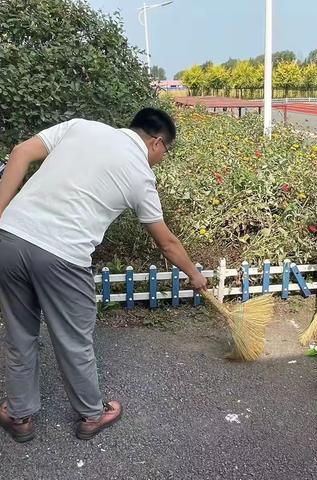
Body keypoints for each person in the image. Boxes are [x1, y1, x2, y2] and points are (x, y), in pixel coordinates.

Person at [0, 108, 208, 443]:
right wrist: (194, 275)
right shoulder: (141, 175)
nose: (161, 159)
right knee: (73, 340)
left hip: (10, 239)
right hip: (63, 257)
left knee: (20, 333)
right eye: (164, 153)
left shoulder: (80, 127)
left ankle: (18, 415)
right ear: (156, 143)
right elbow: (167, 242)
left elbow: (21, 151)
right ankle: (91, 415)